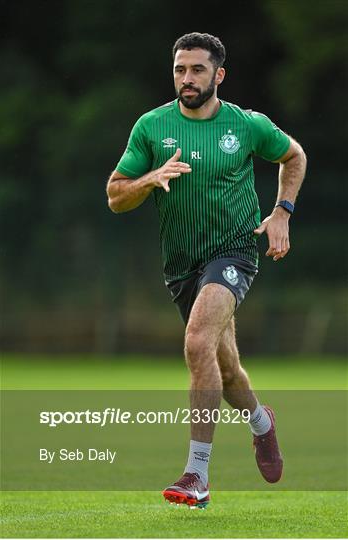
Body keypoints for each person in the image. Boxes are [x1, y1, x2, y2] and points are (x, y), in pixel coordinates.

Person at [106, 32, 307, 509]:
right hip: (181, 265)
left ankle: (196, 475)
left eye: (197, 70)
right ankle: (261, 422)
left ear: (218, 75)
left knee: (196, 342)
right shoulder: (152, 128)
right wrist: (148, 179)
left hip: (235, 251)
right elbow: (115, 195)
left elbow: (293, 155)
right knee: (225, 368)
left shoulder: (247, 124)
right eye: (180, 69)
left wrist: (282, 212)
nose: (187, 78)